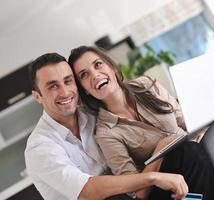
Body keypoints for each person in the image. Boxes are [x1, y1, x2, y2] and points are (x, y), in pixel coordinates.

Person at [68, 45, 214, 200]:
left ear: (111, 66)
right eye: (84, 75)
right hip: (189, 183)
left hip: (205, 152)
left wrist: (203, 111)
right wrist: (159, 152)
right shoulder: (106, 133)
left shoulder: (146, 85)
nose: (95, 74)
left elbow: (184, 120)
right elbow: (137, 191)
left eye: (98, 65)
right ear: (84, 90)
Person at [25, 53, 193, 200]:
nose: (64, 92)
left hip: (135, 194)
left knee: (188, 153)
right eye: (53, 86)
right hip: (115, 197)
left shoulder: (93, 113)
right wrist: (152, 177)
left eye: (68, 81)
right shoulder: (39, 147)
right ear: (37, 96)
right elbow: (88, 191)